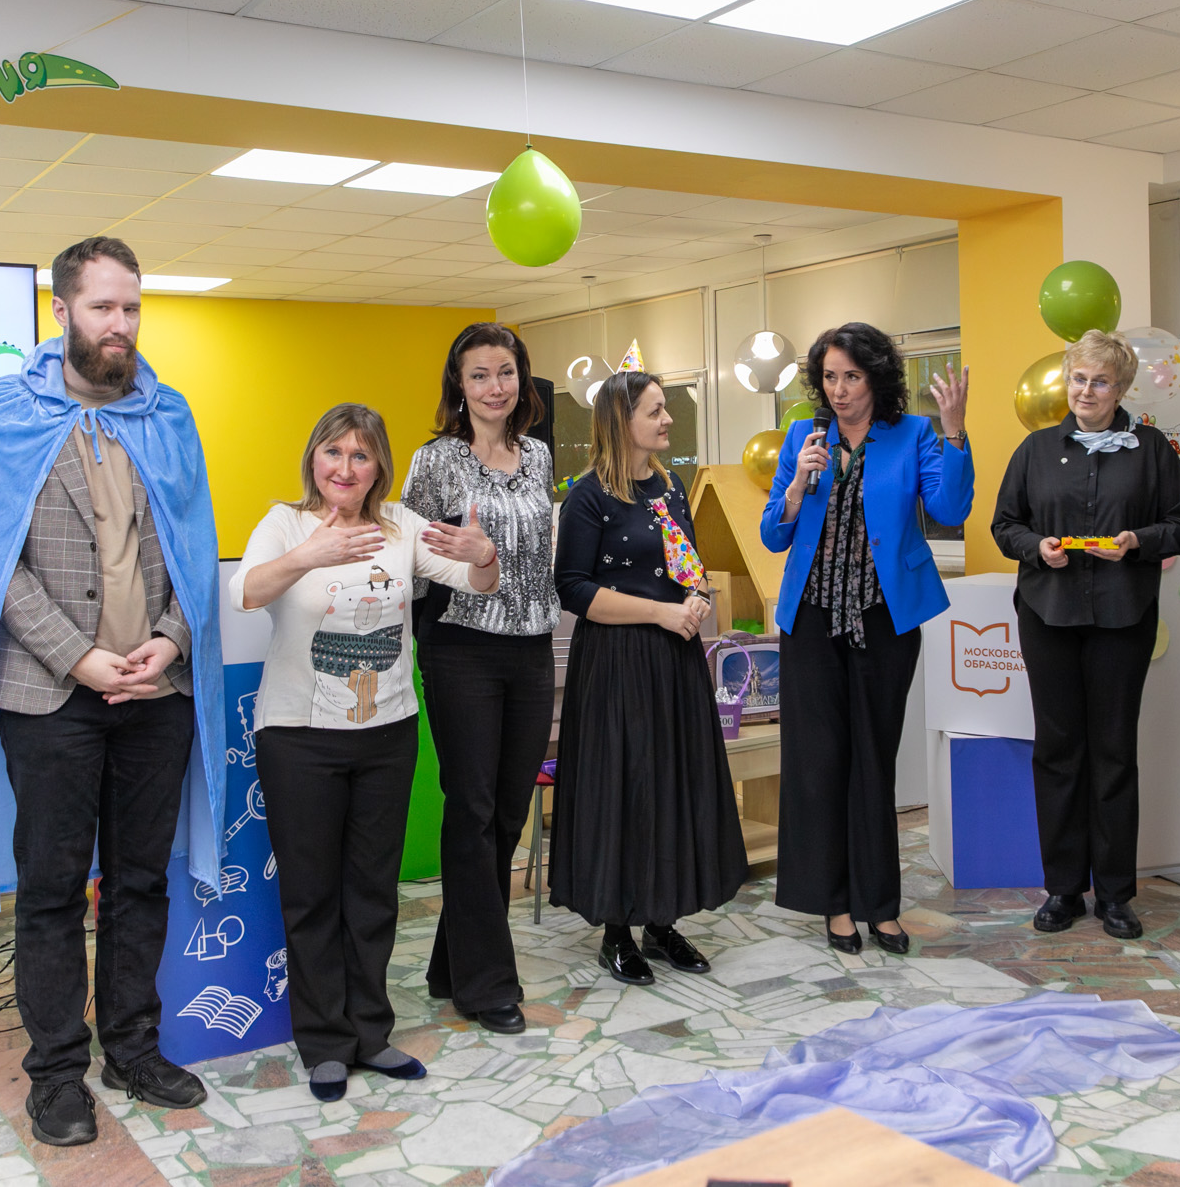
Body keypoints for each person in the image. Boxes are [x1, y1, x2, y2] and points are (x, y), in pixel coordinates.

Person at [0, 235, 228, 1146]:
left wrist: (169, 639)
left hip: (157, 691)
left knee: (141, 880)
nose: (120, 324)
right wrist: (80, 657)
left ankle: (132, 1047)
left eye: (132, 307)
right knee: (55, 889)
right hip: (49, 695)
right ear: (60, 310)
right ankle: (57, 1073)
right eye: (103, 307)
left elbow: (194, 547)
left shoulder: (167, 415)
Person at [232, 403, 497, 1102]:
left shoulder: (401, 525)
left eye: (360, 454)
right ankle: (324, 1041)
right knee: (312, 893)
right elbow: (245, 593)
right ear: (313, 458)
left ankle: (370, 1032)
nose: (345, 468)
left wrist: (484, 556)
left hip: (387, 733)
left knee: (373, 892)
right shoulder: (285, 522)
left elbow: (476, 581)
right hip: (298, 735)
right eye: (333, 452)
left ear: (379, 465)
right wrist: (309, 555)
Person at [761, 322, 972, 956]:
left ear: (876, 378)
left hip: (883, 620)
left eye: (851, 376)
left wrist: (955, 431)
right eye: (829, 377)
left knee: (873, 761)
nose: (839, 389)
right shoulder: (803, 437)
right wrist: (795, 485)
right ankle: (834, 904)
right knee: (819, 765)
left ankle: (880, 905)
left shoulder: (914, 434)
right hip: (812, 621)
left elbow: (951, 509)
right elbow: (774, 534)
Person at [991, 330, 1180, 941]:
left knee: (1113, 752)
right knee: (1057, 751)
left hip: (1121, 618)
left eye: (1100, 381)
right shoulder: (1034, 449)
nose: (1085, 390)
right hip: (1047, 614)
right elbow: (1006, 525)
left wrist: (1136, 542)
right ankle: (1062, 889)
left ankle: (1114, 893)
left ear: (1121, 388)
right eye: (1078, 378)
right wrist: (1037, 548)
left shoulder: (1152, 449)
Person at [552, 369, 747, 984]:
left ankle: (662, 921)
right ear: (622, 420)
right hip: (616, 664)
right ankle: (617, 930)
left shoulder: (670, 487)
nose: (668, 420)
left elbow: (687, 565)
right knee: (625, 789)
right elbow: (573, 588)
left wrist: (696, 597)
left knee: (671, 785)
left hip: (674, 661)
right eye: (656, 410)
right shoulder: (588, 497)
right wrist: (661, 612)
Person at [403, 324, 559, 1037]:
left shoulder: (539, 455)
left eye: (506, 372)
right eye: (479, 375)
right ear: (458, 386)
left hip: (531, 648)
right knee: (470, 808)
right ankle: (488, 981)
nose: (495, 387)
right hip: (461, 647)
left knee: (505, 813)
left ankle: (452, 963)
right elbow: (411, 560)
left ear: (521, 379)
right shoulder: (435, 460)